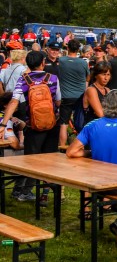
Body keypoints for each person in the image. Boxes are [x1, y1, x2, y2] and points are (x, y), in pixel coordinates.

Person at [66, 89, 117, 244]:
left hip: (96, 182)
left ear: (104, 104)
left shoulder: (92, 125)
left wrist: (91, 153)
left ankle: (115, 206)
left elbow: (71, 152)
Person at [2, 50, 62, 206]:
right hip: (51, 124)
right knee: (50, 159)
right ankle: (45, 193)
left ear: (27, 64)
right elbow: (58, 102)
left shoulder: (24, 79)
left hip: (33, 126)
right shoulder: (53, 78)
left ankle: (26, 190)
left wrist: (3, 123)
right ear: (43, 62)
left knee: (31, 161)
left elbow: (14, 102)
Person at [58, 39, 90, 146]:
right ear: (78, 50)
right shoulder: (83, 63)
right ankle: (80, 146)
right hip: (80, 96)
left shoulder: (61, 61)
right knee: (81, 123)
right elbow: (88, 77)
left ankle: (62, 147)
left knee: (63, 124)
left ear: (67, 48)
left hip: (66, 96)